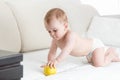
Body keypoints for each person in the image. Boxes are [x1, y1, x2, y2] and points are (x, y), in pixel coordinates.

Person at [42, 8, 120, 68]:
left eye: (55, 30)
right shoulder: (55, 40)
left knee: (98, 64)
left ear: (65, 26)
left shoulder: (71, 35)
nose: (52, 34)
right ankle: (113, 57)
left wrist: (56, 61)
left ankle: (111, 55)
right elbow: (52, 53)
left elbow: (67, 50)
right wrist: (50, 62)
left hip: (94, 46)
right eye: (49, 31)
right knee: (93, 61)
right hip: (87, 54)